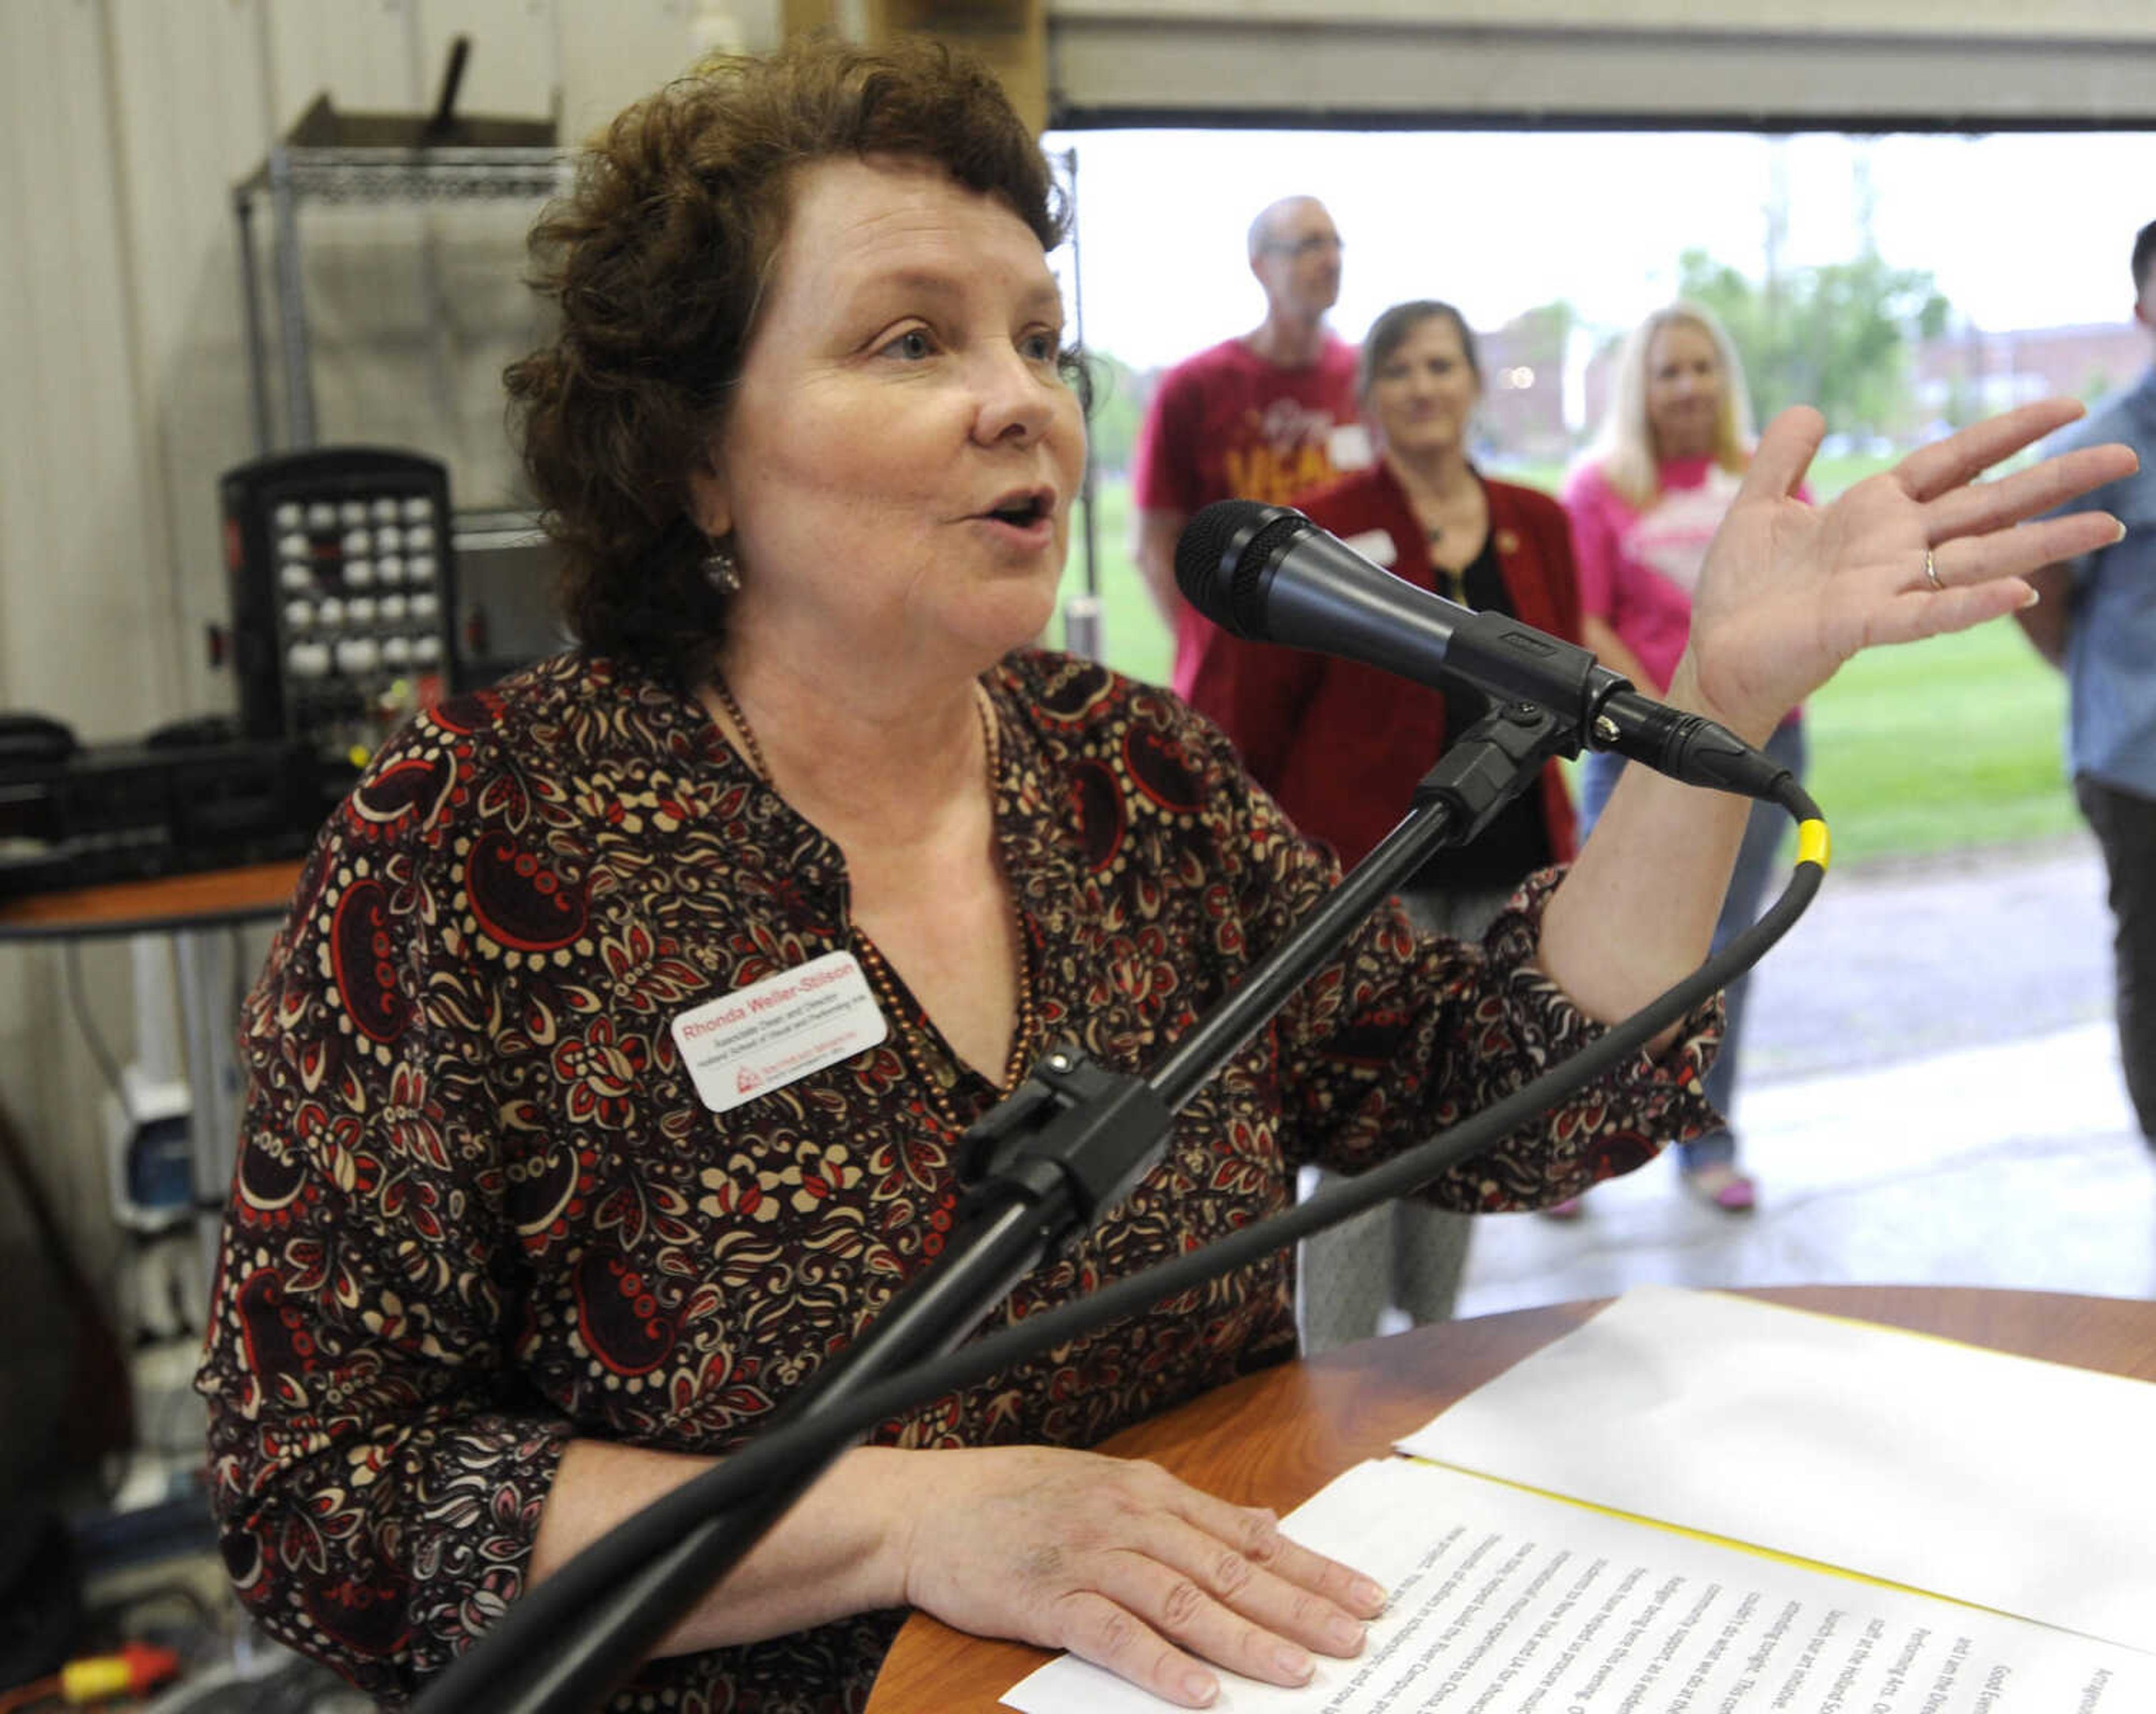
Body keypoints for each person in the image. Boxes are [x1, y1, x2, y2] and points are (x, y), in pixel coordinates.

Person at [193, 36, 2133, 1714]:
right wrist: (907, 1518)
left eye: (1039, 338)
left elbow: (1500, 1089)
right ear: (695, 455)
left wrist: (1716, 695)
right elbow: (324, 1501)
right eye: (910, 339)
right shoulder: (476, 844)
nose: (1022, 394)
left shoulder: (1128, 777)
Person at [1209, 299, 1586, 1352]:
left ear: (1474, 383)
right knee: (1364, 1129)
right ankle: (1333, 1362)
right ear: (1369, 395)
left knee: (1465, 1114)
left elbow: (1562, 689)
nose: (1423, 386)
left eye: (1442, 365)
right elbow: (1249, 719)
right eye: (1400, 370)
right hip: (1369, 873)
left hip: (1510, 865)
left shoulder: (1537, 520)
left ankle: (1429, 1346)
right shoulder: (1320, 532)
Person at [1559, 302, 1806, 1216]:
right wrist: (1672, 713)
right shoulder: (1596, 489)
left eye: (1704, 367)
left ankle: (1705, 1135)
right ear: (1640, 386)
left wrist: (1732, 707)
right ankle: (1574, 1139)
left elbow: (1806, 602)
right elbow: (1581, 617)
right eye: (1669, 370)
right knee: (1600, 954)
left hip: (1758, 745)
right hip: (1637, 749)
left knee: (1724, 953)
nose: (1690, 385)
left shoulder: (1769, 484)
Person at [2016, 218, 2156, 1148]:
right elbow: (2032, 580)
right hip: (2137, 756)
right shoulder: (2107, 449)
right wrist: (2087, 665)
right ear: (2146, 310)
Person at [1129, 194, 1367, 716]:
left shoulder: (1364, 380)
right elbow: (1153, 543)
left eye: (1335, 243)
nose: (1331, 260)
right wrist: (1214, 643)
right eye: (1309, 245)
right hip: (1233, 682)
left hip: (1344, 672)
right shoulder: (1198, 387)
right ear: (1260, 266)